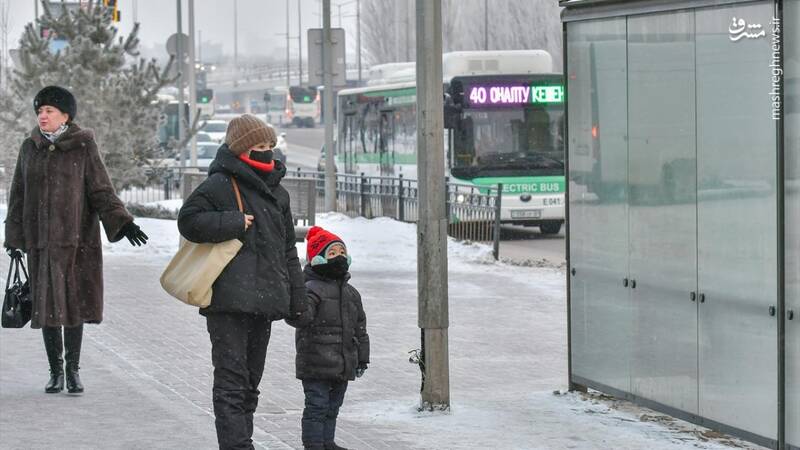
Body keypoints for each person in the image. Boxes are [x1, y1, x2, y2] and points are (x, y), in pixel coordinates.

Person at [4, 85, 149, 395]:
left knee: (73, 304)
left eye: (49, 111)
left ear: (65, 116)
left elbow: (100, 190)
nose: (42, 116)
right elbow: (17, 195)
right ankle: (55, 371)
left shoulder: (83, 147)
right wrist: (14, 238)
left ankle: (73, 370)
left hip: (77, 244)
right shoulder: (29, 148)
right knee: (46, 306)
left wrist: (123, 223)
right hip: (40, 243)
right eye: (39, 111)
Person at [177, 114, 305, 450]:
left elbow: (288, 250)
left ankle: (240, 440)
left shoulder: (279, 193)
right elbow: (188, 221)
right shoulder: (220, 184)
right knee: (232, 382)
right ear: (240, 148)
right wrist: (233, 222)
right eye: (258, 146)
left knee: (250, 384)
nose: (266, 153)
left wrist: (297, 297)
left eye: (269, 146)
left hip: (265, 302)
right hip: (229, 303)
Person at [287, 226, 370, 450]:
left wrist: (362, 357)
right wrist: (296, 306)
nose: (339, 258)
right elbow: (300, 317)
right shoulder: (311, 288)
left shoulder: (352, 293)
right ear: (317, 259)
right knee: (317, 406)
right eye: (332, 254)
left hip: (342, 363)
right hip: (316, 362)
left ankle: (327, 441)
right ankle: (313, 444)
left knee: (333, 406)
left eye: (342, 252)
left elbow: (360, 328)